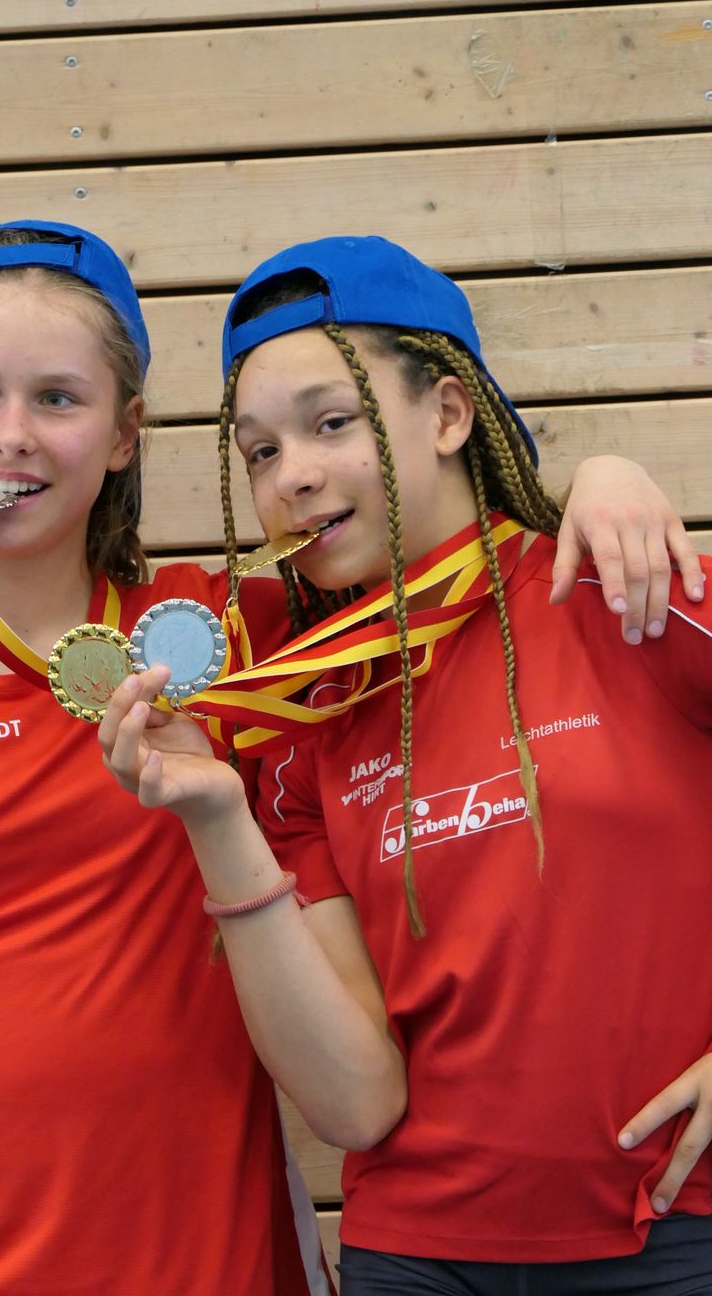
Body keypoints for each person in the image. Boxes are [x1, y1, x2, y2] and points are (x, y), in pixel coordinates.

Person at [100, 235, 712, 1296]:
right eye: (259, 451)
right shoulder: (309, 715)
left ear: (448, 414)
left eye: (330, 422)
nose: (291, 474)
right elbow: (357, 1104)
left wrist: (602, 472)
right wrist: (216, 819)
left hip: (672, 1235)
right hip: (415, 1257)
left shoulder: (625, 591)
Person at [0, 221, 331, 1296]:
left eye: (57, 399)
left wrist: (599, 487)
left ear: (125, 434)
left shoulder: (230, 639)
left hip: (209, 1267)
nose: (11, 436)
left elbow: (470, 593)